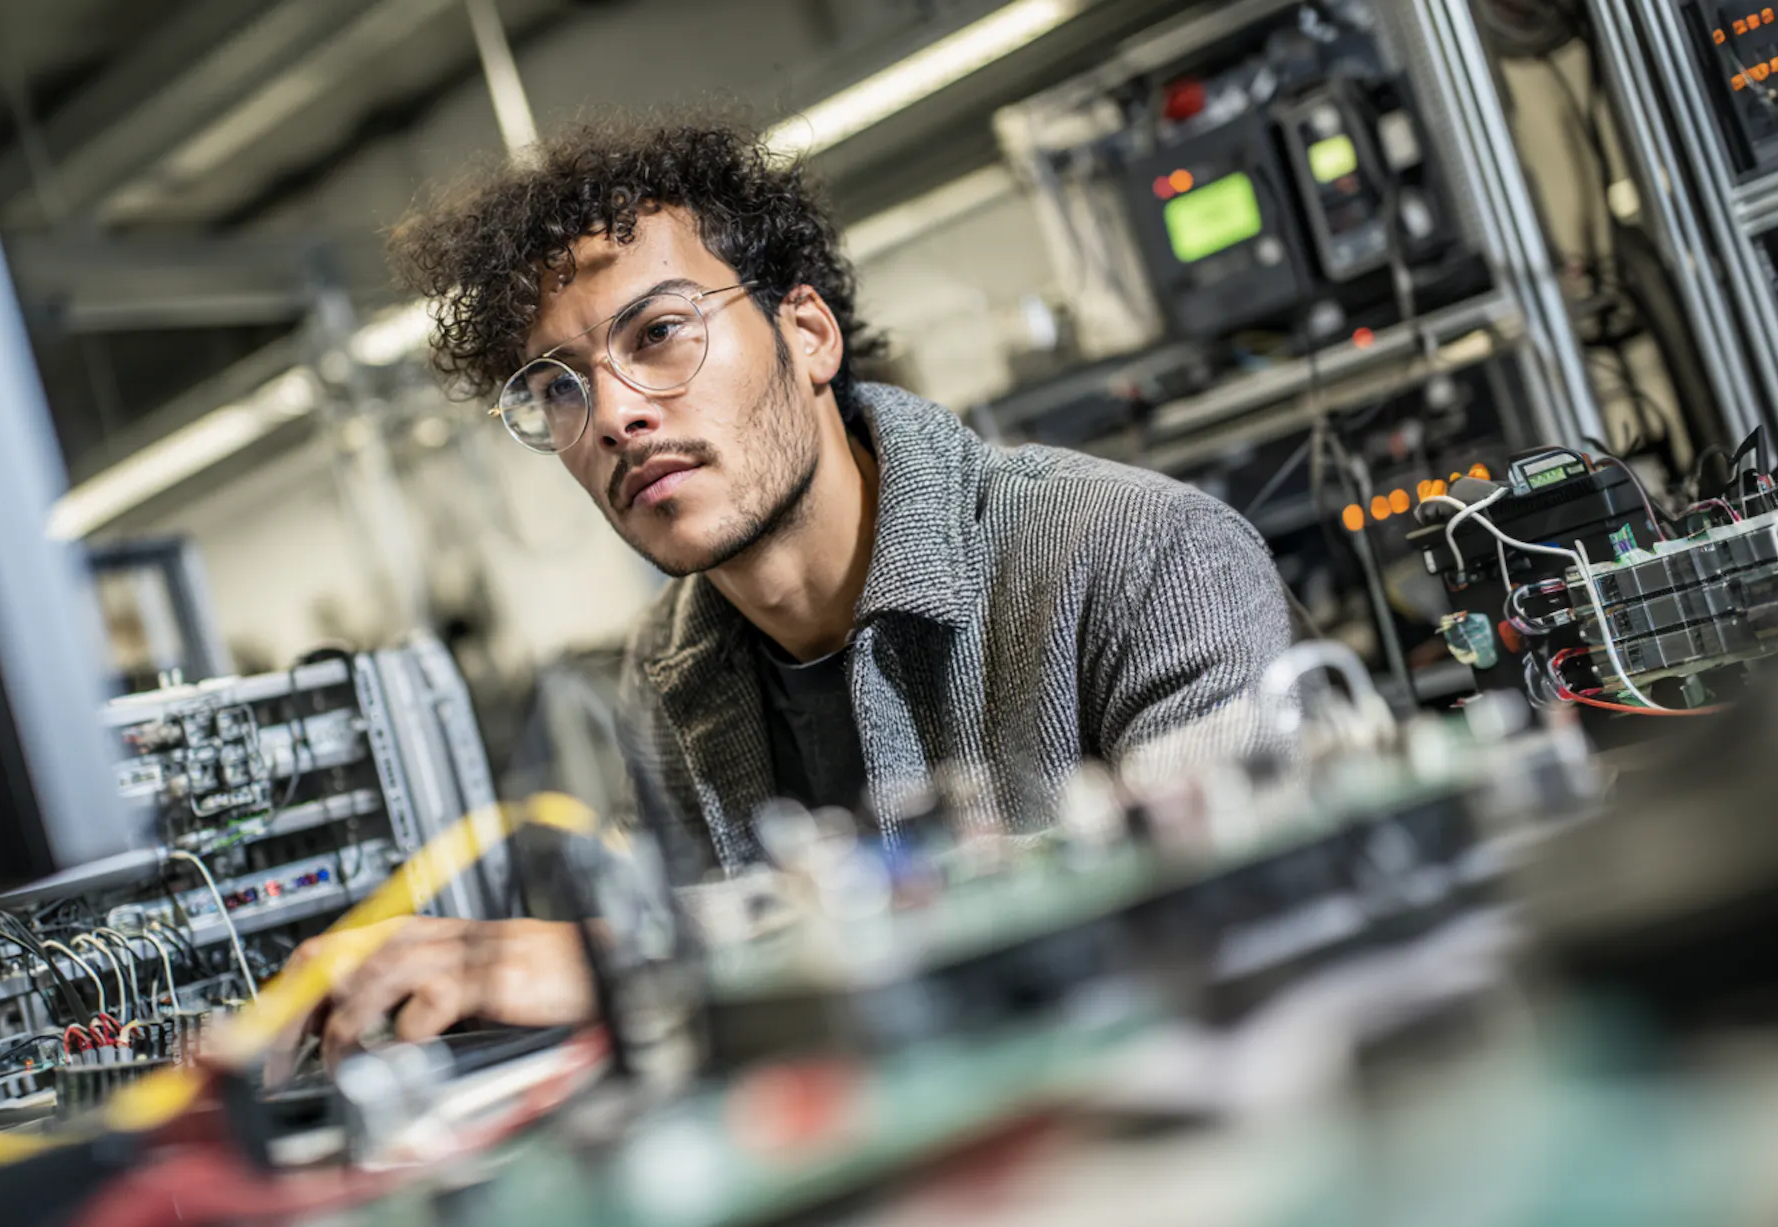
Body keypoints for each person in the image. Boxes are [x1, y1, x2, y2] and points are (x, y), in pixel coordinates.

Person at [271, 121, 1290, 1074]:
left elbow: (1239, 897)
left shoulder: (1140, 552)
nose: (616, 414)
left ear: (807, 334)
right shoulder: (667, 668)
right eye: (559, 387)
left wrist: (641, 957)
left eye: (660, 332)